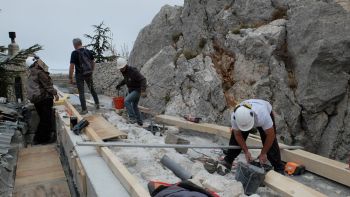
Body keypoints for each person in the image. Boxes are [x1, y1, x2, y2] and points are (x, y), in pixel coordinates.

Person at [221, 99, 285, 174]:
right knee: (235, 140)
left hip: (263, 108)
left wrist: (263, 153)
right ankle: (228, 160)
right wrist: (246, 151)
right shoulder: (235, 116)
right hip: (246, 115)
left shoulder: (263, 115)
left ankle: (279, 168)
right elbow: (237, 135)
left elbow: (271, 136)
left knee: (271, 144)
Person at [26, 56, 59, 145]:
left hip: (37, 100)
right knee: (46, 120)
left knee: (43, 119)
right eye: (38, 61)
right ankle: (43, 140)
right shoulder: (40, 73)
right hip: (44, 99)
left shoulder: (30, 74)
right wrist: (55, 93)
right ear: (35, 63)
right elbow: (48, 85)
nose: (39, 62)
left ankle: (38, 139)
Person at [69, 38, 99, 114]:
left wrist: (70, 78)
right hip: (88, 73)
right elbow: (93, 62)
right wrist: (91, 70)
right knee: (92, 89)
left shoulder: (74, 53)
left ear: (74, 45)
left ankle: (84, 110)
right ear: (81, 43)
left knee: (81, 92)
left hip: (79, 75)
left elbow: (72, 66)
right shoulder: (88, 51)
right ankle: (97, 104)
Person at [115, 58, 147, 126]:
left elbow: (143, 79)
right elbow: (126, 80)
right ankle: (140, 122)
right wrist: (119, 84)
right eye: (120, 68)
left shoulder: (133, 71)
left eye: (122, 68)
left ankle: (132, 118)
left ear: (125, 65)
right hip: (131, 90)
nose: (121, 69)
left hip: (137, 90)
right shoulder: (124, 72)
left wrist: (143, 90)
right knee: (134, 106)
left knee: (126, 101)